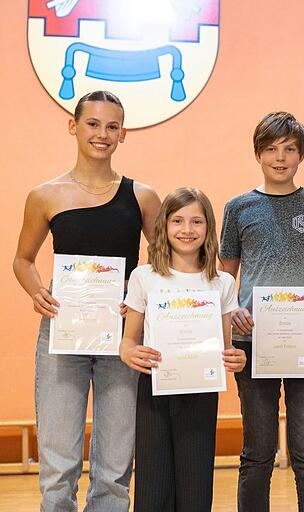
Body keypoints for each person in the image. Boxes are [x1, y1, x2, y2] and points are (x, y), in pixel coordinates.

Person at [12, 90, 160, 511]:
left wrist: (144, 302)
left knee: (114, 467)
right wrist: (37, 289)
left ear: (123, 134)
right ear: (73, 126)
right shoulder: (46, 195)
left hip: (122, 338)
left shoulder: (142, 197)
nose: (102, 133)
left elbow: (168, 262)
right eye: (93, 124)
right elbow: (23, 260)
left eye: (112, 126)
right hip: (63, 334)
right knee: (58, 466)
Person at [220, 111, 304, 512]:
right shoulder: (238, 208)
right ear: (258, 153)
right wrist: (232, 310)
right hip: (252, 340)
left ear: (301, 154)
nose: (280, 157)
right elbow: (225, 276)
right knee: (257, 450)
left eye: (289, 149)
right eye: (271, 149)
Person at [119, 187, 246, 511]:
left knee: (195, 485)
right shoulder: (144, 277)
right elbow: (128, 341)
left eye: (196, 222)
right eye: (177, 221)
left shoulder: (222, 282)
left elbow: (226, 347)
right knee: (152, 484)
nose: (187, 230)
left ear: (209, 228)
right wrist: (130, 353)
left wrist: (236, 357)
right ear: (163, 226)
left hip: (201, 392)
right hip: (154, 388)